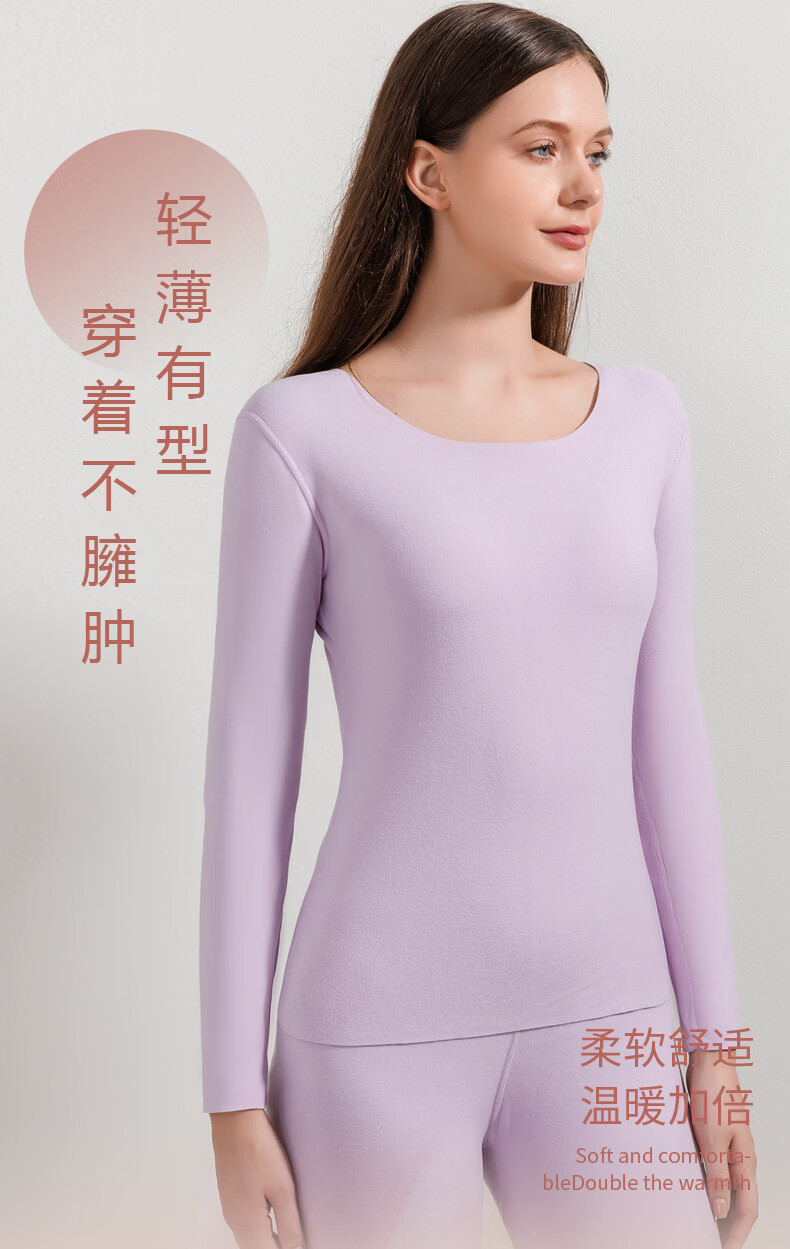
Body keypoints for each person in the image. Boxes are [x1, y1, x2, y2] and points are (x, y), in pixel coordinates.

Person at [198, 6, 758, 1248]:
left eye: (597, 152)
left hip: (614, 1017)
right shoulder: (302, 434)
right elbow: (249, 779)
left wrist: (716, 1043)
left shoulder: (645, 420)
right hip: (375, 1032)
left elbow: (669, 751)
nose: (583, 187)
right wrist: (232, 1098)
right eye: (539, 148)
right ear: (428, 171)